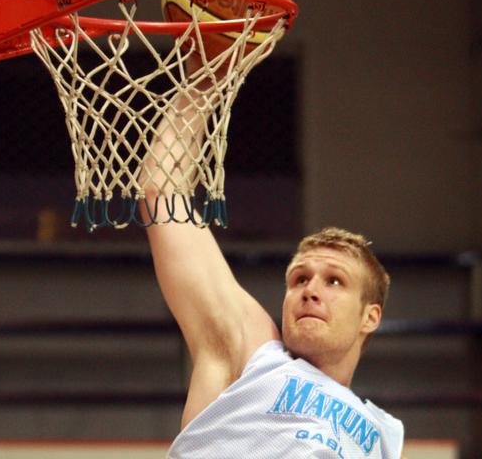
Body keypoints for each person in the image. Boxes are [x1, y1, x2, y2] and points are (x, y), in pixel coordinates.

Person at [140, 65, 404, 458]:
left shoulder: (385, 435)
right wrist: (207, 74)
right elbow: (162, 193)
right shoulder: (251, 353)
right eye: (299, 279)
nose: (311, 291)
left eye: (334, 282)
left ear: (371, 316)